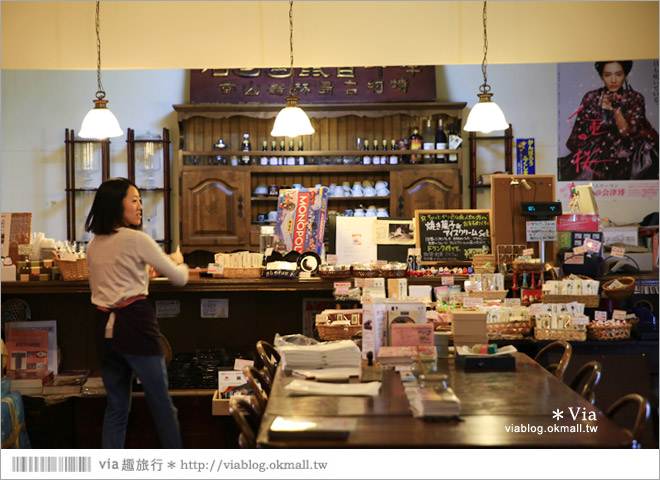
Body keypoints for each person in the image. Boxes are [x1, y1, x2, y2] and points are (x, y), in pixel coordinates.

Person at [85, 177, 188, 448]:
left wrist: (142, 274)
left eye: (140, 200)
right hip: (135, 326)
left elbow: (112, 280)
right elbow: (178, 278)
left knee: (117, 409)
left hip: (103, 329)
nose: (140, 206)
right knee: (162, 406)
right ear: (116, 205)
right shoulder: (137, 239)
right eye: (134, 200)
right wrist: (178, 261)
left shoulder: (93, 245)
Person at [560, 60, 658, 181]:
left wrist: (616, 108)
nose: (613, 80)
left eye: (618, 74)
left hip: (628, 159)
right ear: (601, 76)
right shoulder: (591, 97)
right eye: (607, 75)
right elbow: (577, 135)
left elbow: (626, 133)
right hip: (595, 158)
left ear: (625, 75)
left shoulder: (634, 98)